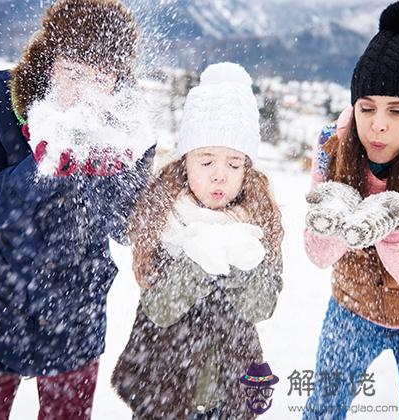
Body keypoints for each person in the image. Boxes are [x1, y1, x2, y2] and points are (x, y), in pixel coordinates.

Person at [0, 0, 154, 418]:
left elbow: (125, 227)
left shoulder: (131, 133)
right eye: (73, 73)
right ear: (50, 60)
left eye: (99, 78)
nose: (84, 92)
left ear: (117, 80)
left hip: (73, 313)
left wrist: (106, 173)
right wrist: (38, 170)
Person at [111, 62, 284, 419]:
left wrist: (239, 256)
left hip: (229, 391)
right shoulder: (164, 216)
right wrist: (197, 260)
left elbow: (259, 307)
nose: (220, 175)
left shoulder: (257, 221)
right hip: (162, 388)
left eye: (234, 164)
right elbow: (160, 309)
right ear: (185, 160)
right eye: (206, 161)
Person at [303, 2, 399, 418]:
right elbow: (318, 254)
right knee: (323, 410)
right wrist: (334, 219)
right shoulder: (333, 148)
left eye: (397, 110)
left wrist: (386, 222)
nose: (377, 124)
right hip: (352, 306)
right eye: (366, 107)